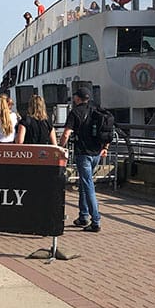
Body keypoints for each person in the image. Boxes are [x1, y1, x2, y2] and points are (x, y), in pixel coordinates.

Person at [60, 88, 103, 232]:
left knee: (88, 184)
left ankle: (95, 220)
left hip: (83, 153)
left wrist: (59, 147)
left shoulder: (75, 112)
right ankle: (83, 216)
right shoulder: (95, 110)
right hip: (96, 153)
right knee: (85, 184)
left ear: (77, 98)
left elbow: (66, 133)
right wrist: (105, 148)